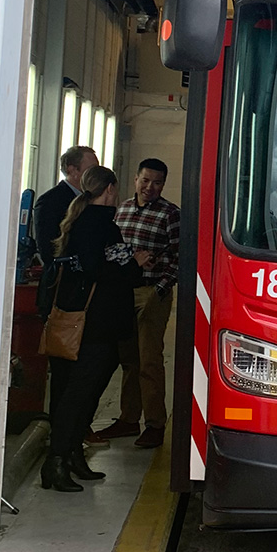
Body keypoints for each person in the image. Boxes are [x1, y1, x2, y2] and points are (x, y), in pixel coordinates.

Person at [42, 166, 154, 492]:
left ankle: (72, 455)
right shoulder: (100, 224)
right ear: (109, 190)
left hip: (79, 321)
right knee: (78, 396)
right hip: (95, 326)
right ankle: (57, 462)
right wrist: (135, 264)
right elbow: (101, 272)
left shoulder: (78, 220)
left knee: (74, 394)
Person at [93, 158, 180, 449]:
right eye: (145, 180)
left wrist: (160, 288)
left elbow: (182, 257)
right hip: (122, 292)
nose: (150, 187)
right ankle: (129, 419)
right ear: (135, 179)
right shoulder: (122, 210)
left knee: (149, 361)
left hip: (151, 292)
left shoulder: (171, 215)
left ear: (163, 185)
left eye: (157, 182)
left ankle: (155, 423)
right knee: (129, 359)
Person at [31, 146, 98, 428]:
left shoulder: (90, 203)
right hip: (63, 295)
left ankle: (74, 431)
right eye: (89, 168)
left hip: (86, 298)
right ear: (71, 170)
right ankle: (60, 430)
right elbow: (50, 252)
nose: (93, 174)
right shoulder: (51, 202)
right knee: (64, 369)